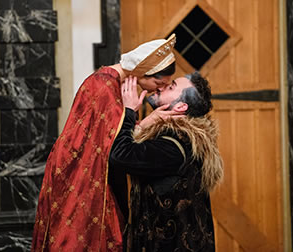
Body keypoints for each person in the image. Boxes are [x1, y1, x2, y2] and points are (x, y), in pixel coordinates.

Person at [31, 34, 177, 252]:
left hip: (84, 170)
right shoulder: (104, 87)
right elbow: (114, 149)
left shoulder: (110, 82)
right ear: (139, 72)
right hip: (79, 174)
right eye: (158, 83)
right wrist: (132, 114)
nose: (158, 90)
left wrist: (145, 121)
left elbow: (108, 137)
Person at [109, 72, 224, 251]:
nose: (162, 85)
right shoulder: (178, 139)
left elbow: (119, 155)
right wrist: (146, 123)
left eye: (171, 87)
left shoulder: (174, 147)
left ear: (180, 107)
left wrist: (129, 112)